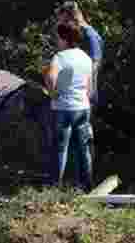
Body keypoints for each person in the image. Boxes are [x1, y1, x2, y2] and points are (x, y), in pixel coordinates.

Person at [43, 23, 93, 191]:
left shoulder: (60, 57)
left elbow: (50, 78)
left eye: (58, 37)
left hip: (63, 108)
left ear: (64, 38)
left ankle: (54, 187)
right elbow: (89, 86)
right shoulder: (86, 57)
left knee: (60, 148)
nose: (56, 41)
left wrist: (52, 93)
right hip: (83, 107)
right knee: (83, 148)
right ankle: (86, 186)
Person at [56, 1, 104, 110]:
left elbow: (94, 66)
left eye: (65, 21)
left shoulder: (90, 36)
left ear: (73, 17)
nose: (64, 25)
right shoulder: (77, 35)